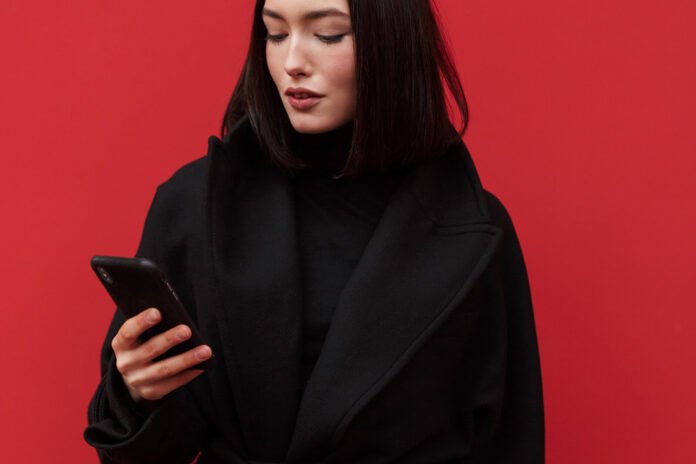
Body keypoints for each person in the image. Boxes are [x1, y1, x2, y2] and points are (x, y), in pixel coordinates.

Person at [84, 0, 545, 462]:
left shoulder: (473, 228)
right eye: (275, 34)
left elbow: (511, 439)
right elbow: (152, 448)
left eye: (328, 35)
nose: (292, 63)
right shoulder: (195, 203)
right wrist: (137, 396)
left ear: (393, 42)